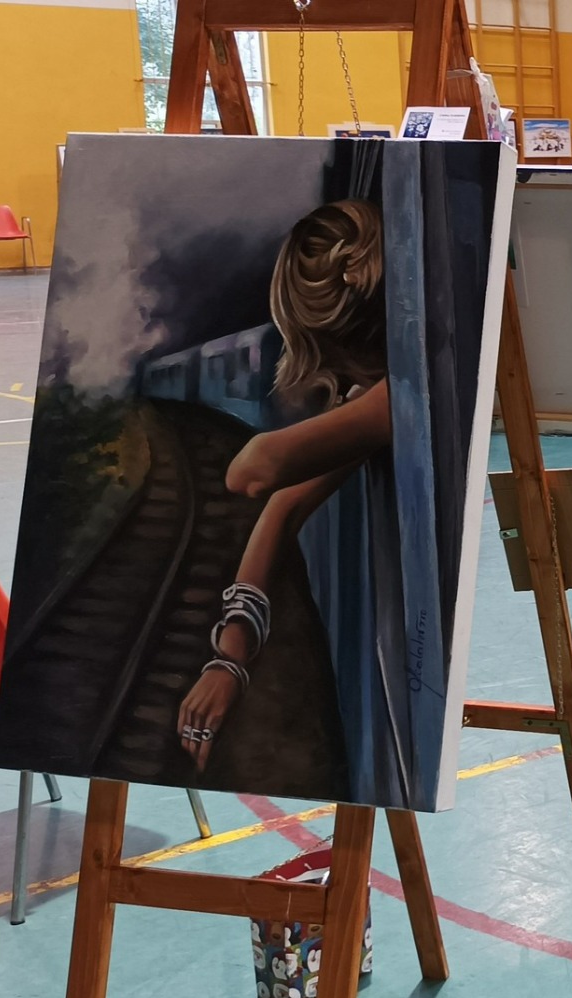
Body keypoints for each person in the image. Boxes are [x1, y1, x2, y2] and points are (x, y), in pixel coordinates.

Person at [175, 200, 396, 771]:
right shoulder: (378, 402)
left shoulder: (392, 399)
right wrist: (230, 657)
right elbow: (283, 508)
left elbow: (251, 472)